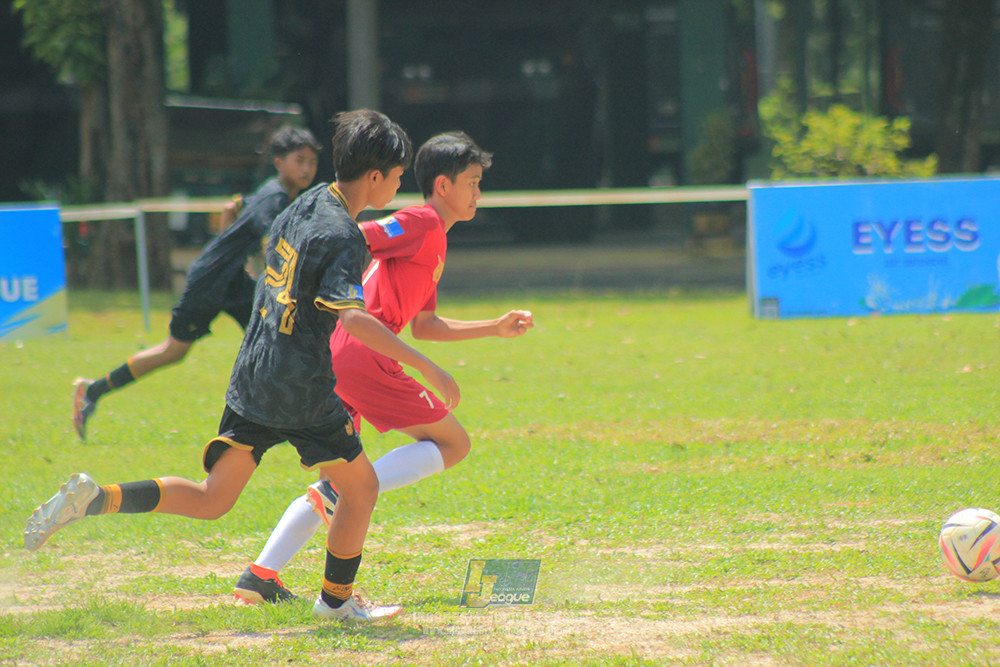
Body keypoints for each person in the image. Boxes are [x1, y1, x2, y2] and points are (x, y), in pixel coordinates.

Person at [25, 109, 459, 622]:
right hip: (300, 385)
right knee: (360, 488)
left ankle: (97, 498)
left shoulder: (307, 202)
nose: (398, 184)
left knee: (213, 498)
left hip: (254, 370)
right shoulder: (344, 234)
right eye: (396, 175)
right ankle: (336, 604)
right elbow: (357, 320)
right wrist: (429, 367)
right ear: (374, 176)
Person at [232, 131, 534, 605]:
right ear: (442, 186)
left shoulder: (434, 239)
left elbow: (426, 325)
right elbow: (355, 236)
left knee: (337, 475)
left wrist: (493, 327)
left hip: (345, 353)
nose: (478, 193)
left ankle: (259, 575)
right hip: (362, 351)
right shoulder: (422, 222)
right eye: (473, 183)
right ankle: (336, 503)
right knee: (452, 443)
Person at [71, 125, 322, 441]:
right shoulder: (275, 197)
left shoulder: (274, 191)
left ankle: (283, 422)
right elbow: (269, 235)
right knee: (174, 351)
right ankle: (92, 390)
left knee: (275, 342)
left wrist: (233, 251)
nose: (306, 168)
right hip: (211, 281)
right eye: (299, 160)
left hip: (230, 279)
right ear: (278, 162)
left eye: (312, 162)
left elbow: (232, 207)